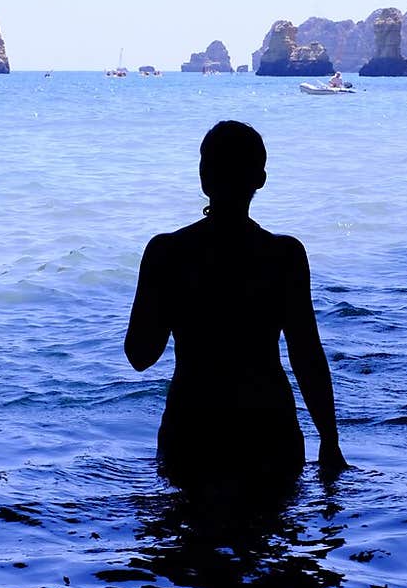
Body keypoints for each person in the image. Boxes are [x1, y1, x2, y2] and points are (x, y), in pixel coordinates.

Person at [125, 120, 347, 489]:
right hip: (270, 431)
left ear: (203, 178)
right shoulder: (284, 256)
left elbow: (140, 356)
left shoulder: (167, 253)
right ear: (260, 179)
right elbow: (307, 355)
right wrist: (329, 440)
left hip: (193, 431)